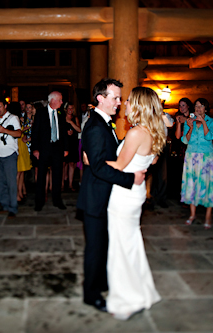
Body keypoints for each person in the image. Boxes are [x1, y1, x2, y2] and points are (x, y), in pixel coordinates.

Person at [76, 78, 145, 313]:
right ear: (100, 98)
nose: (119, 102)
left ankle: (103, 283)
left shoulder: (105, 123)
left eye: (119, 97)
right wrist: (131, 179)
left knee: (104, 244)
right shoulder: (95, 126)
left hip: (105, 196)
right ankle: (91, 295)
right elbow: (98, 166)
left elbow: (109, 154)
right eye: (115, 97)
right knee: (95, 248)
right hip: (96, 198)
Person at [104, 87, 166, 320]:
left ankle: (127, 298)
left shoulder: (136, 133)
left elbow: (119, 166)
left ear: (139, 105)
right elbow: (150, 161)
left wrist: (92, 160)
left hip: (124, 194)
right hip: (135, 191)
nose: (125, 104)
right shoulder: (154, 130)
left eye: (129, 101)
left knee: (122, 245)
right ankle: (141, 290)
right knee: (131, 241)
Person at [181, 98, 213, 229]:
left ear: (206, 109)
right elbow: (185, 141)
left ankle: (208, 216)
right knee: (191, 184)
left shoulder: (212, 121)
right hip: (191, 156)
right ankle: (192, 214)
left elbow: (210, 137)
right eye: (196, 106)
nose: (198, 109)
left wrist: (203, 122)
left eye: (201, 106)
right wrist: (190, 127)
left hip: (207, 157)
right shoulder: (189, 121)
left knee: (208, 184)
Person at [31, 91, 69, 211]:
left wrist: (66, 148)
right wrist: (35, 149)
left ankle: (57, 200)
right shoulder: (40, 113)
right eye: (60, 100)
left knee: (57, 175)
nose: (62, 102)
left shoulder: (61, 113)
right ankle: (39, 202)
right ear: (53, 100)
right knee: (41, 176)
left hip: (57, 148)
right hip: (44, 149)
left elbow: (63, 133)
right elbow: (35, 132)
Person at [0, 98, 22, 218]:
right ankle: (4, 205)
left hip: (9, 154)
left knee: (11, 182)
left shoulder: (13, 118)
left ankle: (13, 207)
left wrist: (4, 130)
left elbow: (18, 134)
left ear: (5, 106)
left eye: (0, 106)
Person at [63, 103, 81, 192]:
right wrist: (66, 132)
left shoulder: (75, 118)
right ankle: (62, 184)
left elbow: (79, 129)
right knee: (63, 163)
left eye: (72, 108)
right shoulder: (62, 118)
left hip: (73, 142)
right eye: (69, 108)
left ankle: (70, 184)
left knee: (72, 164)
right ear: (66, 109)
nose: (70, 110)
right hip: (65, 143)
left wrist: (71, 122)